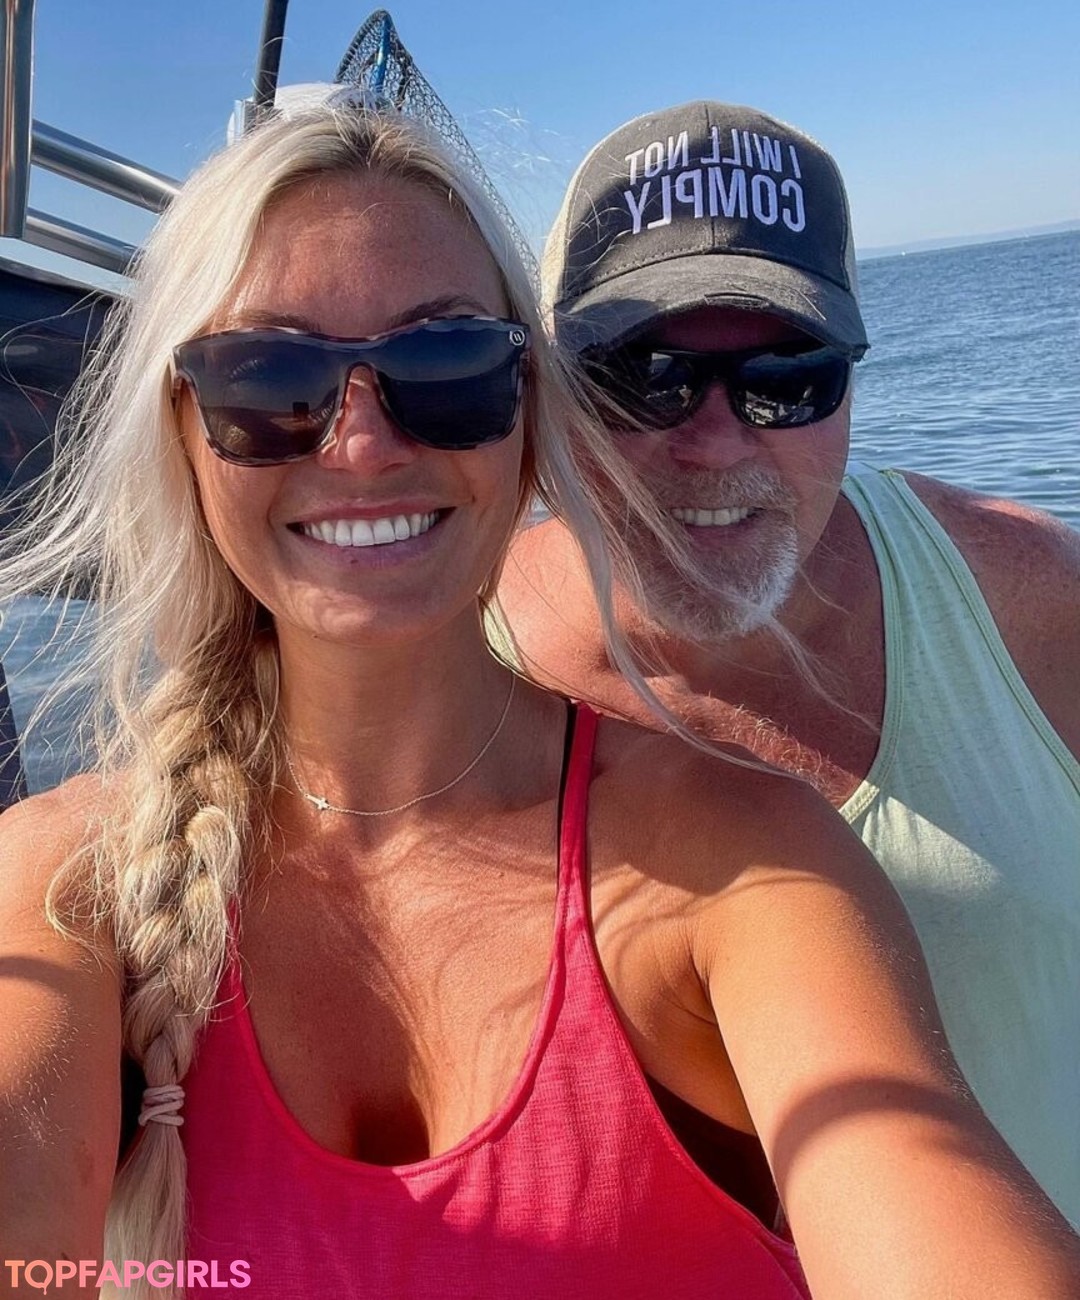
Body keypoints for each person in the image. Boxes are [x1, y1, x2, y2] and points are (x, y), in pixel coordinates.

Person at [0, 92, 1077, 1300]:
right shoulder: (60, 885)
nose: (362, 443)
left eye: (445, 365)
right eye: (270, 379)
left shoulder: (747, 852)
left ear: (524, 417)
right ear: (181, 429)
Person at [496, 99, 1080, 1230]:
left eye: (789, 376)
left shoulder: (1033, 597)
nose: (715, 443)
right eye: (644, 376)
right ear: (548, 384)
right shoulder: (453, 672)